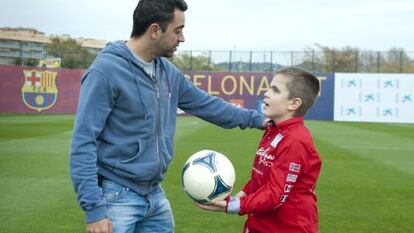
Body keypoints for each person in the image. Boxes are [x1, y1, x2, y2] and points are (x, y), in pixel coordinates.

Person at [69, 0, 266, 233]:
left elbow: (208, 105)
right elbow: (83, 142)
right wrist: (94, 210)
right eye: (178, 30)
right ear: (154, 30)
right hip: (116, 196)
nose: (182, 38)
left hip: (154, 195)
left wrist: (258, 120)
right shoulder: (106, 71)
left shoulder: (166, 71)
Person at [196, 67, 322, 233]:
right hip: (259, 224)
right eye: (269, 87)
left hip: (287, 227)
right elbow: (261, 179)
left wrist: (233, 206)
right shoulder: (273, 130)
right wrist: (240, 195)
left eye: (275, 90)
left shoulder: (295, 140)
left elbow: (275, 195)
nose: (266, 93)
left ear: (294, 103)